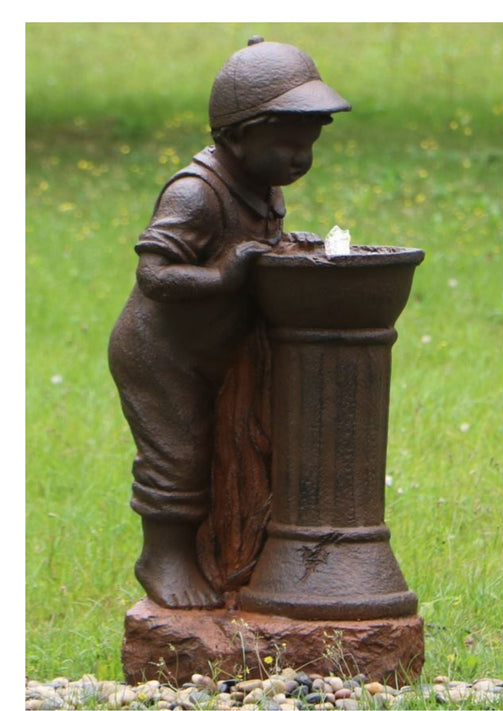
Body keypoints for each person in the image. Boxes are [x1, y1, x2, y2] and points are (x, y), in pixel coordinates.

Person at [108, 38, 351, 609]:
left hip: (212, 349)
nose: (300, 160)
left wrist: (285, 248)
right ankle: (162, 557)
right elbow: (155, 275)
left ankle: (224, 556)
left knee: (232, 450)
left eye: (309, 145)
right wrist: (220, 276)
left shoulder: (260, 185)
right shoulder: (196, 193)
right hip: (160, 354)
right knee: (180, 454)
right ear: (238, 135)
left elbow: (252, 244)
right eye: (288, 144)